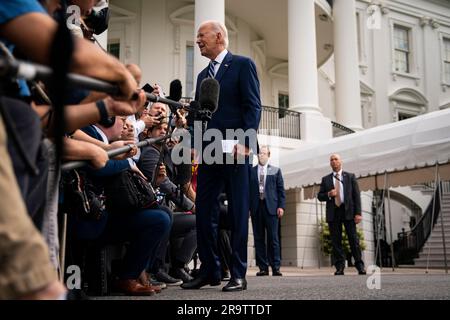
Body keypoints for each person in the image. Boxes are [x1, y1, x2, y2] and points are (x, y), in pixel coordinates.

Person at [181, 20, 261, 292]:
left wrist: (247, 141)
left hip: (237, 151)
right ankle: (210, 270)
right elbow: (199, 114)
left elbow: (253, 106)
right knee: (204, 212)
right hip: (209, 153)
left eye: (201, 36)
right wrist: (193, 142)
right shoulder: (203, 76)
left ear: (218, 36)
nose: (198, 41)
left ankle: (238, 274)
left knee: (238, 213)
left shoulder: (242, 65)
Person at [317, 154, 366, 276]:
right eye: (331, 160)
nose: (333, 161)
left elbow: (356, 196)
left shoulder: (350, 177)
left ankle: (360, 266)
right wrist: (329, 194)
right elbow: (320, 196)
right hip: (334, 212)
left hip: (348, 211)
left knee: (353, 240)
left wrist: (358, 213)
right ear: (330, 163)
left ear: (341, 161)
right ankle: (340, 267)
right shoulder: (326, 179)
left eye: (336, 159)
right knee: (336, 241)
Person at [250, 145, 285, 277]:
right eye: (260, 153)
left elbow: (281, 190)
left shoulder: (275, 171)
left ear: (269, 155)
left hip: (271, 208)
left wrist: (281, 206)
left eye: (264, 153)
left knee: (273, 239)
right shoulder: (251, 171)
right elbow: (248, 191)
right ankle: (263, 268)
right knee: (258, 239)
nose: (261, 155)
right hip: (256, 208)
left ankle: (276, 267)